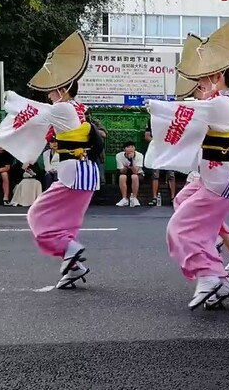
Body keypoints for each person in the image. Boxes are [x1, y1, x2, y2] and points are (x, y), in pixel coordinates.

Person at [168, 19, 229, 310]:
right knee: (184, 207)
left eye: (203, 79)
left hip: (221, 179)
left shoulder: (220, 103)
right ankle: (221, 279)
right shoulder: (215, 102)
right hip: (212, 177)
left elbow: (183, 112)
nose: (198, 84)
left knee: (180, 228)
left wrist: (157, 108)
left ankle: (209, 275)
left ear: (218, 77)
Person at [21, 32, 103, 289]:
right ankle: (73, 266)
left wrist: (11, 102)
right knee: (68, 222)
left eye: (51, 89)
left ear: (61, 89)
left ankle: (70, 249)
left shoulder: (61, 108)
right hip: (87, 171)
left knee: (37, 214)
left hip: (72, 172)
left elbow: (32, 120)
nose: (48, 94)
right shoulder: (79, 107)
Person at [145, 120, 176, 206]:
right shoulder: (152, 120)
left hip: (169, 150)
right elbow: (147, 136)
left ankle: (173, 198)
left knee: (171, 174)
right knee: (155, 174)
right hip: (156, 150)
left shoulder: (172, 120)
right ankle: (154, 198)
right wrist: (157, 143)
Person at [115, 142, 144, 207]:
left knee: (134, 176)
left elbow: (136, 171)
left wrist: (131, 161)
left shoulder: (139, 155)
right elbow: (122, 171)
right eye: (128, 147)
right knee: (122, 177)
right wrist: (127, 165)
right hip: (125, 173)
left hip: (137, 174)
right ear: (124, 149)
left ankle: (134, 198)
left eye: (132, 146)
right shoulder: (119, 156)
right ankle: (124, 199)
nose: (130, 148)